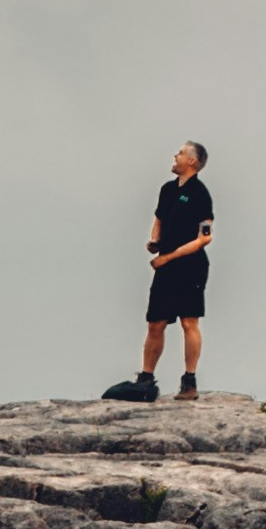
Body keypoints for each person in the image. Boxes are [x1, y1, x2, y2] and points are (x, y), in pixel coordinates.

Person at [105, 138, 214, 401]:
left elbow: (205, 237)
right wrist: (156, 241)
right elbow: (159, 217)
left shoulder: (200, 193)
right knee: (156, 322)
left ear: (192, 162)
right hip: (165, 265)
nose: (175, 157)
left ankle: (189, 381)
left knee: (189, 321)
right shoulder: (167, 189)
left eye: (180, 154)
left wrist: (170, 256)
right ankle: (145, 378)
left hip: (190, 266)